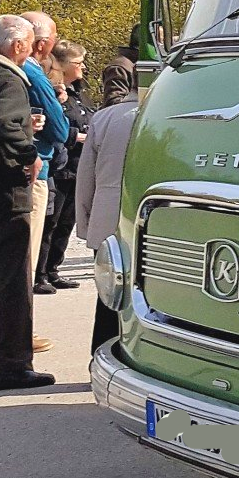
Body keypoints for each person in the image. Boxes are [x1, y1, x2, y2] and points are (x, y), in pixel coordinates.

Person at [0, 15, 55, 389]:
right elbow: (2, 123)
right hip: (3, 192)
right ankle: (10, 364)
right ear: (19, 46)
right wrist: (28, 153)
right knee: (11, 283)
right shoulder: (6, 77)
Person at [78, 85, 138, 353]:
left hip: (106, 213)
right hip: (141, 217)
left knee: (108, 294)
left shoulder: (104, 117)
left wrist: (85, 221)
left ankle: (99, 351)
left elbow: (86, 176)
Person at [17, 14, 69, 314]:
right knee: (26, 254)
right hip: (36, 169)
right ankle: (14, 329)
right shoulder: (35, 74)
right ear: (42, 44)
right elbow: (59, 130)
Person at [36, 41, 92, 291]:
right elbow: (54, 125)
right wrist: (75, 136)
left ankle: (53, 269)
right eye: (77, 63)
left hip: (77, 165)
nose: (82, 67)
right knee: (50, 222)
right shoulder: (53, 92)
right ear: (63, 65)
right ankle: (40, 273)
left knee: (66, 222)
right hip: (61, 165)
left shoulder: (78, 92)